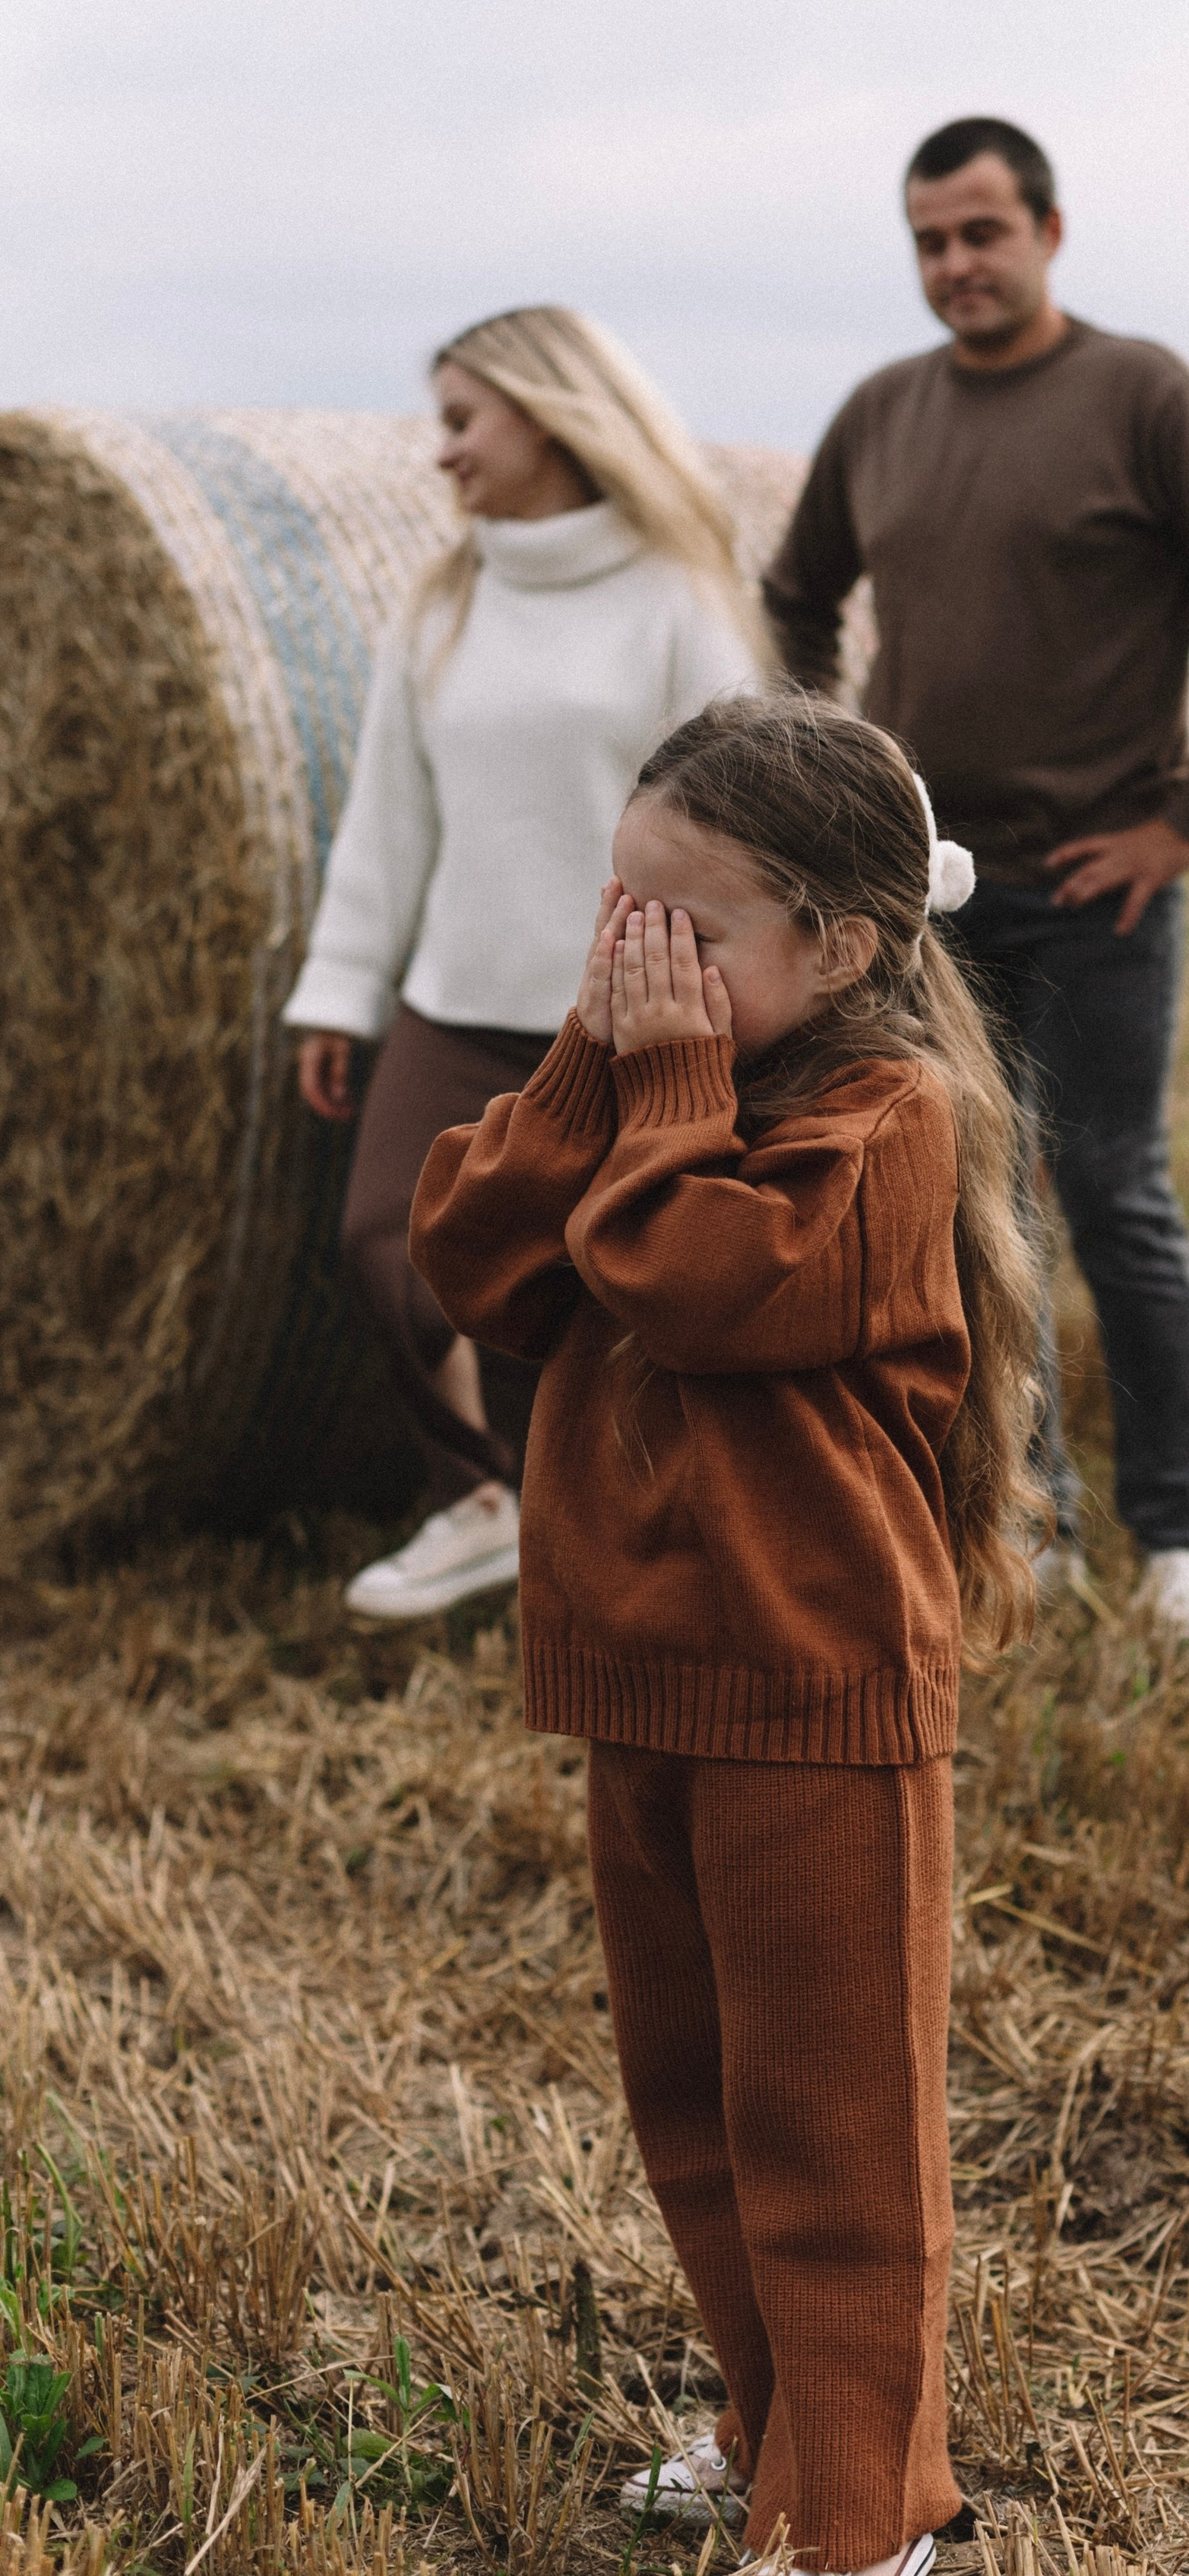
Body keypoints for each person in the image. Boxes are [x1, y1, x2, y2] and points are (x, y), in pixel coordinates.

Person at [409, 695, 1040, 2576]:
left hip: (814, 1685)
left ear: (841, 948)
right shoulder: (672, 1091)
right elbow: (479, 1261)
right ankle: (774, 2424)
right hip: (651, 1679)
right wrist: (608, 1069)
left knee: (828, 2117)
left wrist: (656, 1086)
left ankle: (865, 2510)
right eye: (624, 911)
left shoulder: (880, 1127)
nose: (638, 958)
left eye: (688, 932)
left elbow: (690, 1283)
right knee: (693, 2102)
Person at [762, 117, 1189, 1642]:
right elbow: (795, 596)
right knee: (963, 1214)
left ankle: (1183, 1541)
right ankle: (1033, 1525)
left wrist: (1185, 819)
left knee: (1111, 1197)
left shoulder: (1140, 395)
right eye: (927, 242)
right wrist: (838, 777)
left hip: (1101, 891)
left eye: (980, 234)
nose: (954, 264)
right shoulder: (879, 413)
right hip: (925, 906)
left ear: (1047, 232)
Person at [284, 304, 764, 1619]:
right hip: (454, 994)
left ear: (545, 415)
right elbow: (391, 813)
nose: (438, 453)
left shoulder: (675, 592)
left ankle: (599, 1538)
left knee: (606, 1284)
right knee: (388, 1242)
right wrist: (342, 986)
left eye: (458, 420)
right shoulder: (447, 598)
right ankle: (479, 1501)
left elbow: (739, 799)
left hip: (625, 1006)